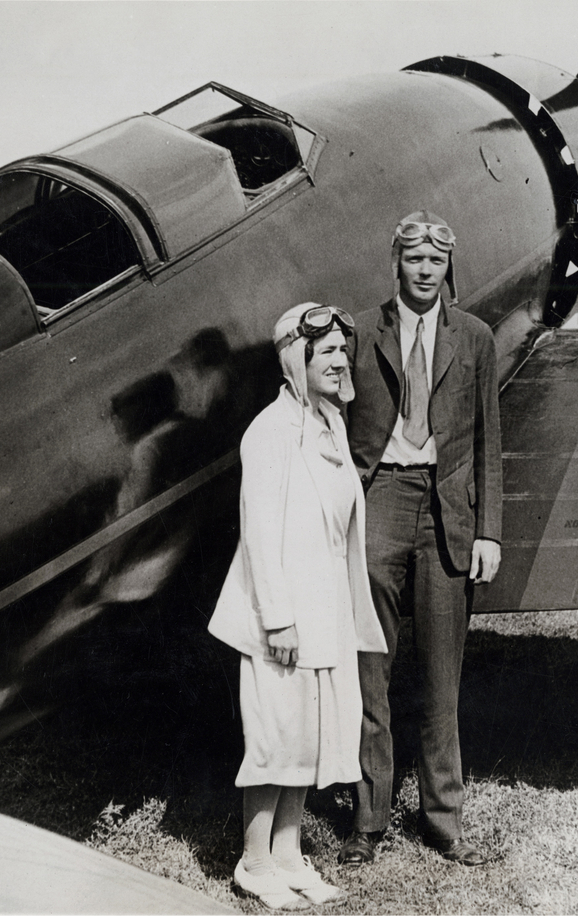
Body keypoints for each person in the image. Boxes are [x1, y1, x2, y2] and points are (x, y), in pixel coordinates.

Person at [208, 303, 388, 909]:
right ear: (297, 361)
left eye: (343, 349)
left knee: (310, 738)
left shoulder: (330, 424)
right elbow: (258, 530)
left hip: (326, 610)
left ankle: (287, 854)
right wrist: (278, 617)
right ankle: (254, 862)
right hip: (279, 618)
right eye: (327, 352)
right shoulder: (269, 432)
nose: (341, 361)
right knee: (276, 736)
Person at [340, 211, 502, 867]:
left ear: (448, 266)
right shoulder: (357, 331)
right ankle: (368, 820)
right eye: (413, 261)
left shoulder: (474, 337)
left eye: (435, 262)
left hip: (447, 508)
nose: (424, 272)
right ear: (397, 262)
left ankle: (442, 821)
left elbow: (491, 438)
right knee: (368, 671)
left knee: (441, 680)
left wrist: (488, 529)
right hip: (380, 498)